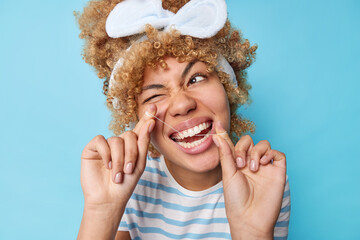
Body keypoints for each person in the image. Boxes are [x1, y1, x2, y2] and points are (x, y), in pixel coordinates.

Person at [76, 0, 291, 239]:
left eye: (196, 79)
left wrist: (252, 231)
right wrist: (101, 211)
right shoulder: (129, 181)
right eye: (155, 94)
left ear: (227, 85)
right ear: (136, 118)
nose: (182, 104)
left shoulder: (261, 179)